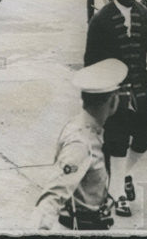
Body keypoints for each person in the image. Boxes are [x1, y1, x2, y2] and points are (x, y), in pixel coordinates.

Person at [84, 0, 147, 217]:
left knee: (146, 135)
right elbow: (91, 62)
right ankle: (117, 195)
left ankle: (124, 176)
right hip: (112, 93)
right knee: (118, 142)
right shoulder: (101, 20)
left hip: (140, 90)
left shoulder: (145, 16)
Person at [32, 59, 128, 230]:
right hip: (80, 227)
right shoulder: (81, 143)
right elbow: (52, 196)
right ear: (113, 101)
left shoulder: (86, 127)